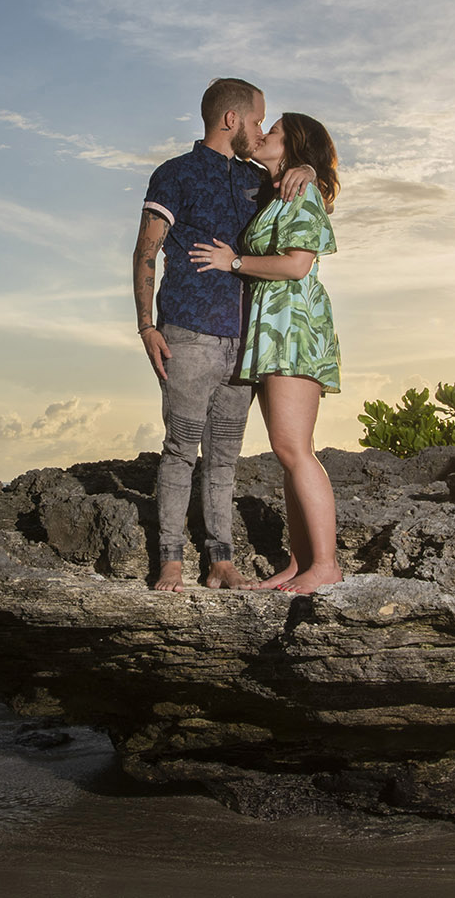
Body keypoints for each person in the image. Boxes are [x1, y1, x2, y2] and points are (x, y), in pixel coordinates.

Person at [133, 79, 313, 592]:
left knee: (226, 458)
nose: (261, 130)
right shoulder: (175, 174)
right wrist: (146, 325)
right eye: (258, 120)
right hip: (187, 334)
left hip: (247, 342)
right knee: (180, 449)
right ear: (231, 120)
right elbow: (146, 250)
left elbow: (310, 206)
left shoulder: (261, 181)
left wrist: (309, 168)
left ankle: (221, 559)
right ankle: (170, 558)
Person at [190, 113, 342, 594]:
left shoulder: (302, 191)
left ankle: (327, 565)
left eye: (273, 131)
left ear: (293, 146)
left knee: (295, 448)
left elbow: (297, 266)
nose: (263, 135)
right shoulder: (279, 188)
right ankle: (301, 564)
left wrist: (232, 261)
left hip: (294, 327)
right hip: (272, 330)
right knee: (286, 451)